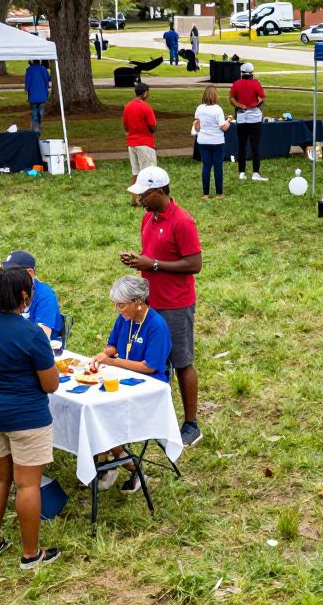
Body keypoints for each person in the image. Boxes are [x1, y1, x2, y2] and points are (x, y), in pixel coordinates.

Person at [0, 267, 60, 570]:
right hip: (26, 416)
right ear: (24, 296)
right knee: (27, 485)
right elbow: (50, 384)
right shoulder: (31, 333)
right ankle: (31, 555)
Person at [121, 166, 203, 447]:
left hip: (176, 305)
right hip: (150, 303)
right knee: (154, 362)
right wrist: (138, 260)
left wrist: (152, 264)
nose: (139, 199)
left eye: (143, 194)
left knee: (182, 361)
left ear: (158, 192)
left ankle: (192, 424)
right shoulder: (148, 218)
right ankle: (156, 418)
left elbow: (195, 264)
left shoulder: (182, 222)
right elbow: (151, 255)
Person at [90, 275, 172, 493]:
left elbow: (149, 367)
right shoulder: (125, 319)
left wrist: (113, 362)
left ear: (138, 301)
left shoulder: (156, 325)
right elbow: (113, 345)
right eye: (116, 305)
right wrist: (103, 355)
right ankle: (111, 462)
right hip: (122, 381)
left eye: (122, 305)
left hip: (148, 390)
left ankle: (121, 465)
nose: (118, 310)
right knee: (93, 413)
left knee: (102, 419)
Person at [0, 251, 62, 339]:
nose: (6, 276)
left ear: (30, 273)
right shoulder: (8, 289)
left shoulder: (45, 296)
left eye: (11, 273)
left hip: (44, 348)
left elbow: (42, 337)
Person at [229, 63, 268, 182]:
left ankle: (242, 172)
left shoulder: (236, 84)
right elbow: (262, 98)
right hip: (254, 117)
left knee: (242, 145)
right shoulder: (256, 83)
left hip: (241, 116)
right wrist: (254, 105)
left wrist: (240, 105)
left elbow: (231, 99)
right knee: (255, 146)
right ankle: (255, 173)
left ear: (242, 73)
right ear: (252, 72)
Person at [122, 81, 157, 205]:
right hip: (145, 143)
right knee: (148, 172)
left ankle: (134, 198)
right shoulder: (146, 107)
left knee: (135, 172)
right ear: (145, 93)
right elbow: (153, 126)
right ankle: (146, 199)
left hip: (132, 143)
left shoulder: (128, 106)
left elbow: (125, 126)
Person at [194, 85, 232, 199]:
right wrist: (229, 120)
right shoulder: (217, 109)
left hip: (203, 140)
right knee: (217, 166)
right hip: (217, 141)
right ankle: (219, 193)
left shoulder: (199, 108)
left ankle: (205, 194)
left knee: (206, 166)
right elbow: (223, 127)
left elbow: (197, 127)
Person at [24, 60, 51, 135]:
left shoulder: (29, 69)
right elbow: (47, 79)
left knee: (34, 111)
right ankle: (40, 123)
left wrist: (27, 88)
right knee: (41, 110)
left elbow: (28, 81)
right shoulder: (43, 69)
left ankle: (36, 128)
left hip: (33, 93)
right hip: (42, 93)